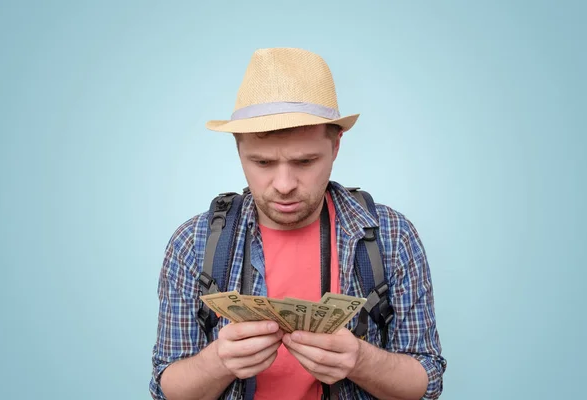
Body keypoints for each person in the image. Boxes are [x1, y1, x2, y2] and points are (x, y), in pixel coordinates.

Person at [149, 47, 447, 400]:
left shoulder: (392, 237)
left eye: (305, 162)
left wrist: (361, 361)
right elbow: (167, 390)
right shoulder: (193, 243)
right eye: (262, 163)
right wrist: (217, 362)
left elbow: (427, 385)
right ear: (238, 151)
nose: (285, 184)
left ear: (336, 146)